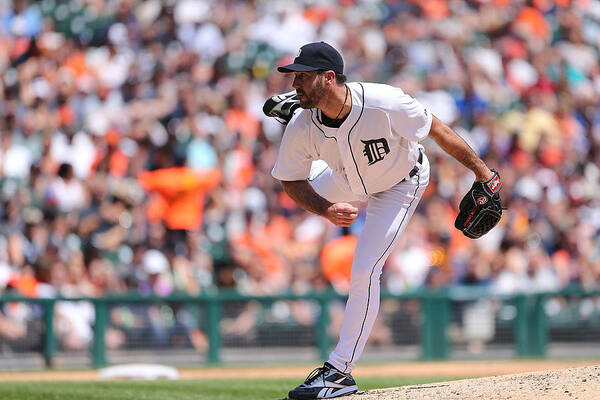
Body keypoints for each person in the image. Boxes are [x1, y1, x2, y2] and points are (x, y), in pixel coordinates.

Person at [263, 41, 499, 399]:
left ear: (329, 78)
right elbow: (290, 180)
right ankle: (338, 371)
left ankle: (339, 372)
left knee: (364, 270)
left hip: (400, 183)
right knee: (305, 192)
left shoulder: (385, 102)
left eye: (302, 78)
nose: (295, 80)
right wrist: (325, 209)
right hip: (345, 175)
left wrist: (484, 174)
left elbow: (436, 130)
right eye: (294, 78)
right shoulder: (302, 126)